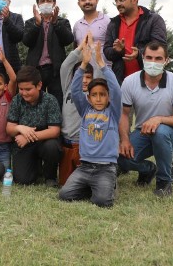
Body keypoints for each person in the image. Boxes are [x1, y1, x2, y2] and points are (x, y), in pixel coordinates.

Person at [117, 42, 173, 197]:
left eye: (158, 58)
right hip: (143, 132)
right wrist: (124, 140)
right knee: (119, 158)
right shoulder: (130, 81)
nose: (153, 62)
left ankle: (164, 182)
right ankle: (148, 169)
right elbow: (123, 114)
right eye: (149, 57)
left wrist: (159, 119)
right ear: (142, 57)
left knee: (161, 131)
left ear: (166, 60)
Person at [58, 41, 121, 207]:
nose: (98, 98)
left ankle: (106, 186)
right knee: (65, 194)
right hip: (84, 167)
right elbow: (76, 90)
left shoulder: (113, 112)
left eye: (102, 95)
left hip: (106, 168)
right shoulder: (84, 109)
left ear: (108, 97)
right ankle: (92, 186)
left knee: (103, 201)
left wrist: (100, 62)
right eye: (94, 95)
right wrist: (84, 63)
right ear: (89, 97)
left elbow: (115, 88)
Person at [6, 66, 62, 187]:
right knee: (22, 180)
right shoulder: (16, 100)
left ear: (39, 85)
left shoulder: (50, 100)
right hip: (23, 145)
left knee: (52, 146)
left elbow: (55, 131)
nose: (24, 93)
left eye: (28, 89)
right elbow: (9, 129)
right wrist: (19, 128)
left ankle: (50, 177)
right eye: (21, 89)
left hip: (44, 140)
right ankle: (36, 168)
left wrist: (28, 137)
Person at [103, 0, 167, 86]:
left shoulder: (153, 19)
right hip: (121, 82)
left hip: (148, 80)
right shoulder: (113, 23)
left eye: (122, 0)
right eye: (116, 1)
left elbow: (161, 47)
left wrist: (139, 54)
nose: (118, 4)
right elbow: (106, 51)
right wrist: (117, 51)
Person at [59, 33, 100, 186]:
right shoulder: (68, 88)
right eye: (81, 76)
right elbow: (65, 67)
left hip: (86, 146)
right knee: (65, 184)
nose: (84, 80)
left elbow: (98, 70)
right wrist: (80, 48)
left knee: (86, 184)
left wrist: (93, 53)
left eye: (88, 77)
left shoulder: (95, 94)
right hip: (67, 144)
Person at [22, 0, 74, 108]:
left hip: (55, 70)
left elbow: (68, 40)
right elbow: (26, 41)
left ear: (54, 3)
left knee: (57, 101)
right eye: (42, 1)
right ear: (38, 4)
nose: (46, 3)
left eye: (49, 0)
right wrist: (37, 24)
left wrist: (55, 23)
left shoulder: (63, 21)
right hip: (36, 69)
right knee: (35, 102)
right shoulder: (30, 22)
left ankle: (56, 125)